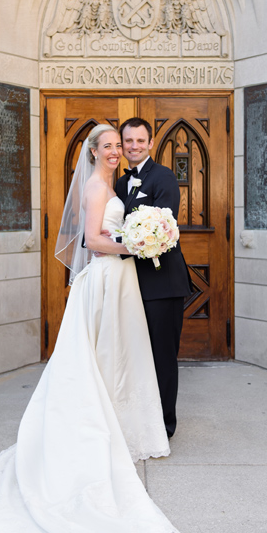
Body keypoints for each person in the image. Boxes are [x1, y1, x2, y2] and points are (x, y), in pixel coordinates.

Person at [0, 124, 180, 533]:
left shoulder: (130, 181)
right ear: (95, 151)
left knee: (123, 353)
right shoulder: (99, 185)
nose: (120, 151)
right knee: (102, 355)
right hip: (108, 274)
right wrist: (133, 243)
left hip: (122, 277)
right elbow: (92, 240)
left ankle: (124, 420)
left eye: (123, 145)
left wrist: (137, 241)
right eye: (112, 145)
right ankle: (97, 423)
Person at [114, 118, 192, 438]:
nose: (134, 146)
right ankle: (140, 417)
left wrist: (123, 246)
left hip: (163, 284)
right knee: (135, 356)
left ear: (150, 142)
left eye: (139, 140)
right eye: (128, 141)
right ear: (122, 145)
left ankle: (164, 424)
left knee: (162, 357)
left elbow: (164, 230)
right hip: (132, 284)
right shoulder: (119, 184)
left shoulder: (164, 177)